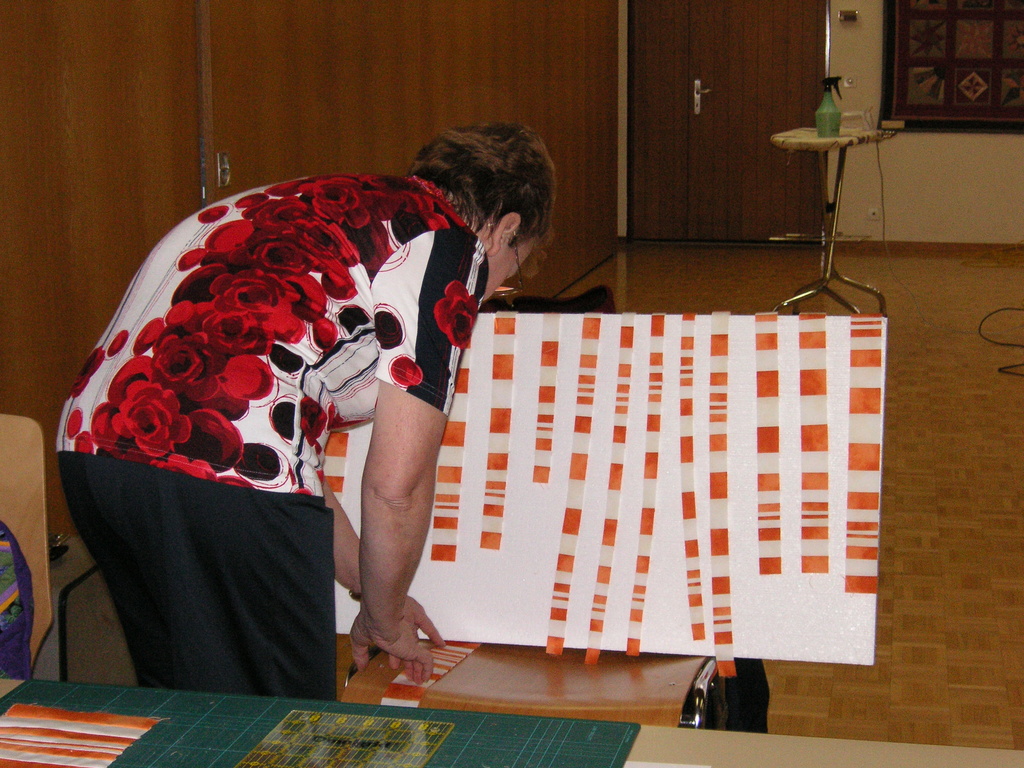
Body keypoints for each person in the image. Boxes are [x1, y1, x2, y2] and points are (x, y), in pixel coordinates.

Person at [56, 122, 555, 699]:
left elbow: (272, 449)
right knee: (278, 727)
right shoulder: (447, 242)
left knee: (187, 708)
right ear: (506, 229)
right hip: (218, 476)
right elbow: (397, 487)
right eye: (514, 269)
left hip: (94, 452)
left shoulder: (308, 204)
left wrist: (376, 593)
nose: (491, 292)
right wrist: (385, 617)